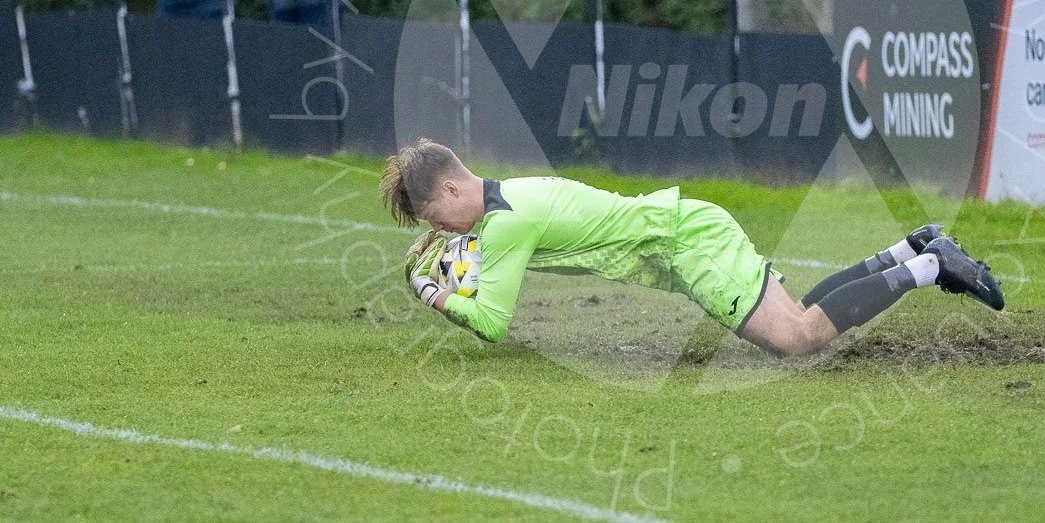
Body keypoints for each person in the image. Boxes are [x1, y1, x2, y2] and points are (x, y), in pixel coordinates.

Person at [381, 139, 1004, 357]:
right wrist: (457, 254)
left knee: (795, 339)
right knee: (798, 317)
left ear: (455, 186)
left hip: (689, 245)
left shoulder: (506, 222)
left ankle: (929, 266)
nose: (440, 227)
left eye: (434, 212)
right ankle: (909, 249)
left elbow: (491, 321)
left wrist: (433, 292)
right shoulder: (506, 198)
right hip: (688, 233)